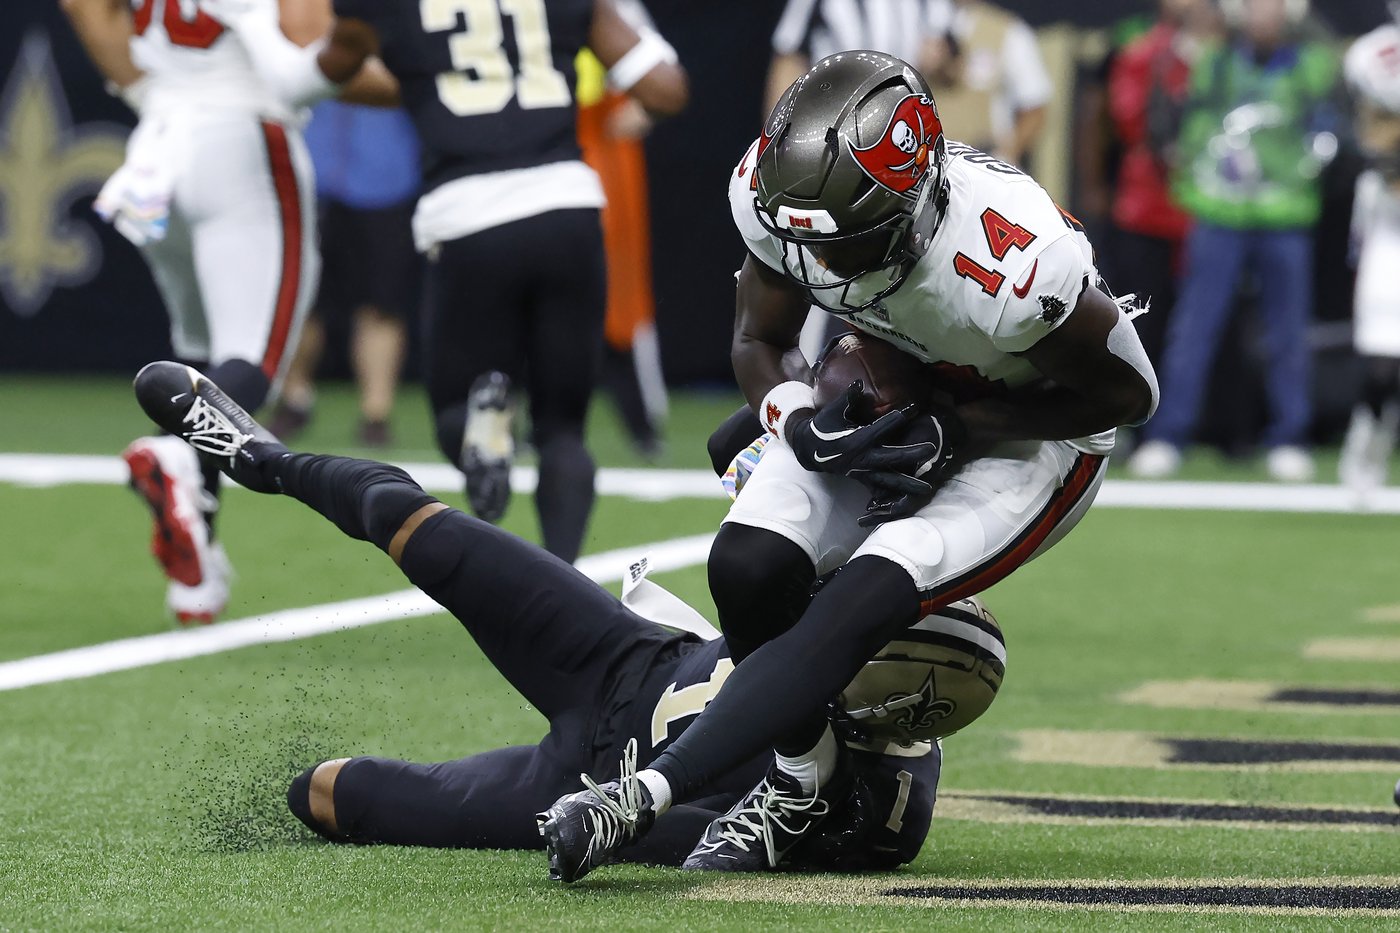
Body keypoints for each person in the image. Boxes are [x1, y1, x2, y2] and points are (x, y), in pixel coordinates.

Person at [537, 51, 1159, 879]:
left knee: (868, 590)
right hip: (912, 390)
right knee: (748, 564)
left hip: (1033, 432)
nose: (822, 269)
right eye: (808, 247)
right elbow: (760, 340)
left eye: (848, 246)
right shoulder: (780, 197)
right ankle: (804, 781)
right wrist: (797, 418)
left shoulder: (1010, 263)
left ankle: (645, 794)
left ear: (914, 206)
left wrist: (965, 422)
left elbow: (1129, 395)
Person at [126, 360, 1013, 872]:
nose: (844, 626)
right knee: (426, 530)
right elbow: (743, 463)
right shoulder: (862, 587)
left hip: (587, 780)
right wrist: (787, 432)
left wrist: (596, 809)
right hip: (622, 659)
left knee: (325, 792)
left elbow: (698, 840)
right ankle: (261, 456)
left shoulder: (881, 806)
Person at [204, 0, 688, 563]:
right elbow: (665, 91)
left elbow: (311, 79)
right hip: (568, 206)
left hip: (467, 215)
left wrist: (260, 24)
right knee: (563, 430)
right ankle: (567, 580)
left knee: (455, 410)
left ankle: (482, 429)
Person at [61, 0, 329, 623]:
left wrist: (151, 86)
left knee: (200, 355)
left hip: (159, 142)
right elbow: (312, 46)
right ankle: (177, 454)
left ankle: (197, 575)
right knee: (255, 358)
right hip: (244, 130)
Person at [1127, 0, 1340, 483]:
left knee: (1288, 331)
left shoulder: (1315, 64)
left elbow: (1330, 132)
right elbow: (1178, 124)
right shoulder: (1212, 63)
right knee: (1195, 328)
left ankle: (1290, 436)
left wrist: (1306, 168)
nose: (1262, 11)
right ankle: (1168, 436)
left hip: (1285, 214)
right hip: (1219, 212)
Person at [765, 0, 948, 364]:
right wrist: (779, 146)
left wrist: (939, 57)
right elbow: (788, 58)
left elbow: (942, 58)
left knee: (906, 259)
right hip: (829, 152)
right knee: (823, 259)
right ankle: (808, 368)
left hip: (899, 153)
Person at [270, 100, 422, 448]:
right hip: (307, 176)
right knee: (299, 301)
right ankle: (294, 399)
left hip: (387, 180)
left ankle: (376, 414)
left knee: (381, 304)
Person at [1339, 17, 1400, 504]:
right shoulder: (1373, 55)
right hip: (1391, 220)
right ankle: (1367, 448)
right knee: (1383, 363)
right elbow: (1373, 141)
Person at [923, 0, 1052, 168]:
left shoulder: (1007, 31)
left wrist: (1005, 154)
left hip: (980, 161)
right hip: (923, 160)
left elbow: (1035, 107)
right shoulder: (914, 21)